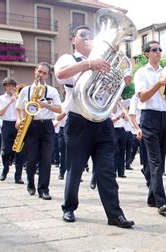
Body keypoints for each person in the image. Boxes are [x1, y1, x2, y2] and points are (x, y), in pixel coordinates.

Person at [55, 25, 134, 227]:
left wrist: (122, 83)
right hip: (78, 122)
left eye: (91, 35)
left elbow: (108, 93)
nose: (88, 38)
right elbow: (61, 75)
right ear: (73, 39)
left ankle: (115, 215)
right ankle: (69, 208)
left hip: (103, 123)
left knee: (107, 171)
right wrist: (89, 64)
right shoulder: (68, 58)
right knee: (75, 169)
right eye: (83, 35)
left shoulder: (105, 62)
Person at [135, 40, 166, 213]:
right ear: (147, 54)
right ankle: (161, 201)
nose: (159, 52)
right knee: (155, 161)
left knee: (159, 161)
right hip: (148, 117)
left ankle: (152, 197)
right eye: (154, 50)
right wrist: (159, 84)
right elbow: (143, 97)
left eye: (160, 49)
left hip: (165, 117)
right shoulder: (141, 73)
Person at [16, 62, 61, 200]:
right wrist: (18, 120)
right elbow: (19, 108)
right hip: (31, 124)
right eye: (39, 71)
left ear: (47, 75)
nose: (41, 75)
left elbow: (59, 109)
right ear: (35, 71)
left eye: (44, 73)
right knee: (31, 159)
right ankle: (30, 182)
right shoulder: (26, 90)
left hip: (47, 126)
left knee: (46, 159)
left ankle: (44, 189)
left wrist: (45, 105)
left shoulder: (52, 91)